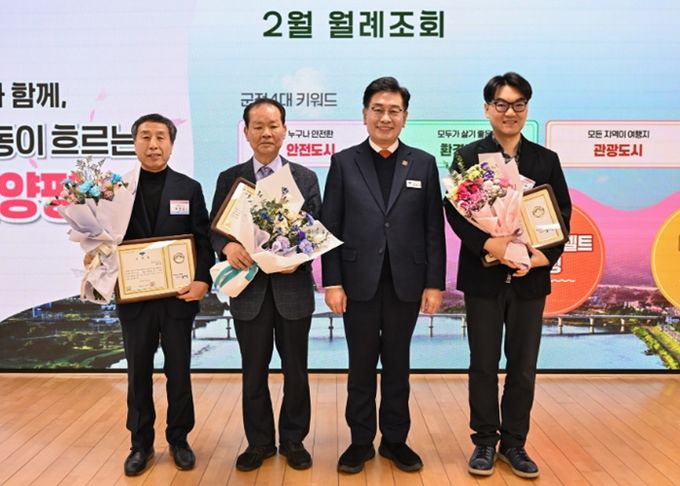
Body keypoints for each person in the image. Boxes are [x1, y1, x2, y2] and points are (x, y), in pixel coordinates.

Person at [444, 72, 572, 479]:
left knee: (523, 366)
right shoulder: (468, 157)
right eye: (501, 104)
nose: (510, 112)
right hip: (483, 277)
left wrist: (542, 256)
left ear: (526, 109)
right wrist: (491, 243)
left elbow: (561, 214)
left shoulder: (545, 160)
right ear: (488, 109)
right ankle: (484, 441)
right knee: (482, 363)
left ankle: (514, 443)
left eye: (518, 104)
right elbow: (455, 212)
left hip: (530, 279)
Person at [321, 76, 446, 473]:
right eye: (378, 109)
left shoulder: (423, 163)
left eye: (394, 111)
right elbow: (330, 226)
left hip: (405, 283)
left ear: (405, 117)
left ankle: (395, 440)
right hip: (357, 282)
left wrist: (434, 283)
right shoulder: (344, 162)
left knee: (397, 365)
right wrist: (332, 282)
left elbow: (433, 228)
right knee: (360, 366)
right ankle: (360, 442)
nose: (385, 118)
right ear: (365, 114)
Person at [209, 98, 321, 471]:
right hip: (250, 292)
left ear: (285, 130)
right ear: (246, 132)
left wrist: (298, 258)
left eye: (273, 125)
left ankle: (293, 440)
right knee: (253, 371)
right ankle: (259, 443)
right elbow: (214, 228)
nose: (266, 133)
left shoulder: (305, 177)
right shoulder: (230, 178)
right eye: (258, 126)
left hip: (292, 291)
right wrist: (226, 247)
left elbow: (315, 230)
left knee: (296, 371)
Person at [117, 113, 214, 476]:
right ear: (134, 143)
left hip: (178, 299)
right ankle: (140, 444)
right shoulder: (116, 190)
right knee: (138, 372)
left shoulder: (189, 188)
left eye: (161, 137)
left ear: (172, 144)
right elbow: (104, 240)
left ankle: (179, 438)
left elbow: (203, 241)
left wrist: (202, 280)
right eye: (145, 136)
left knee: (179, 371)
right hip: (135, 301)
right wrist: (94, 256)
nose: (153, 144)